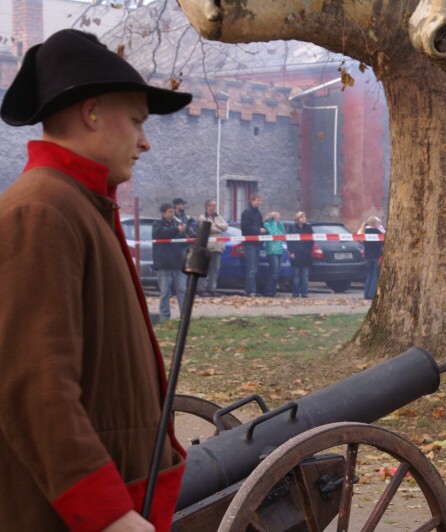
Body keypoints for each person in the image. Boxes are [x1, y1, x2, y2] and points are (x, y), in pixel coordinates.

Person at [0, 29, 192, 530]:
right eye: (135, 121)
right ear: (91, 113)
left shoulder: (77, 204)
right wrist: (107, 514)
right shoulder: (42, 209)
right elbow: (34, 383)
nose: (145, 141)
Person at [153, 203, 188, 319]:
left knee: (182, 290)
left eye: (173, 211)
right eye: (169, 212)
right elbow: (162, 234)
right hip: (164, 264)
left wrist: (186, 233)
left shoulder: (177, 225)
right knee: (165, 292)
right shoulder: (157, 224)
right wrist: (176, 229)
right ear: (163, 213)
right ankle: (164, 317)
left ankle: (185, 316)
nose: (172, 214)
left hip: (177, 263)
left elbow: (184, 242)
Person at [198, 199, 229, 296]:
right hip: (206, 246)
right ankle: (201, 289)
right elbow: (208, 228)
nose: (214, 207)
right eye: (212, 205)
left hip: (218, 246)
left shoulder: (218, 216)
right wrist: (219, 227)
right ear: (207, 206)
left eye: (215, 205)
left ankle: (212, 288)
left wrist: (217, 225)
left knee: (215, 269)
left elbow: (226, 227)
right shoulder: (202, 217)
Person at [240, 192, 266, 296]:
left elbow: (261, 225)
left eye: (260, 200)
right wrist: (259, 229)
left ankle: (249, 289)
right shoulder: (247, 212)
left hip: (257, 243)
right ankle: (251, 290)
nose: (260, 202)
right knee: (251, 268)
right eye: (258, 200)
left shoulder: (258, 212)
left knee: (254, 268)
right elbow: (245, 228)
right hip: (249, 244)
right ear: (252, 200)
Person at [357, 216, 385, 299]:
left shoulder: (364, 231)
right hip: (376, 255)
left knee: (369, 275)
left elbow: (359, 238)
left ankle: (366, 294)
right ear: (376, 224)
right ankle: (372, 294)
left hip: (367, 256)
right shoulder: (378, 231)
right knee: (375, 275)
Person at [288, 211, 314, 298]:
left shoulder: (309, 228)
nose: (304, 219)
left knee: (305, 275)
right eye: (302, 217)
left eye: (305, 217)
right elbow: (289, 241)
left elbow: (312, 241)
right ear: (298, 219)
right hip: (296, 255)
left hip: (306, 255)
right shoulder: (292, 228)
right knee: (296, 275)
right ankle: (295, 293)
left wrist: (308, 251)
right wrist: (291, 252)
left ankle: (304, 293)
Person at [263, 211, 286, 297]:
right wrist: (273, 222)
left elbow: (283, 233)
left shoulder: (277, 224)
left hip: (279, 250)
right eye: (276, 218)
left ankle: (273, 291)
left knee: (277, 273)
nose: (277, 220)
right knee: (273, 272)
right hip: (271, 250)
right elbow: (272, 233)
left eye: (278, 218)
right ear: (272, 218)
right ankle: (268, 291)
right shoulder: (267, 224)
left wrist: (279, 223)